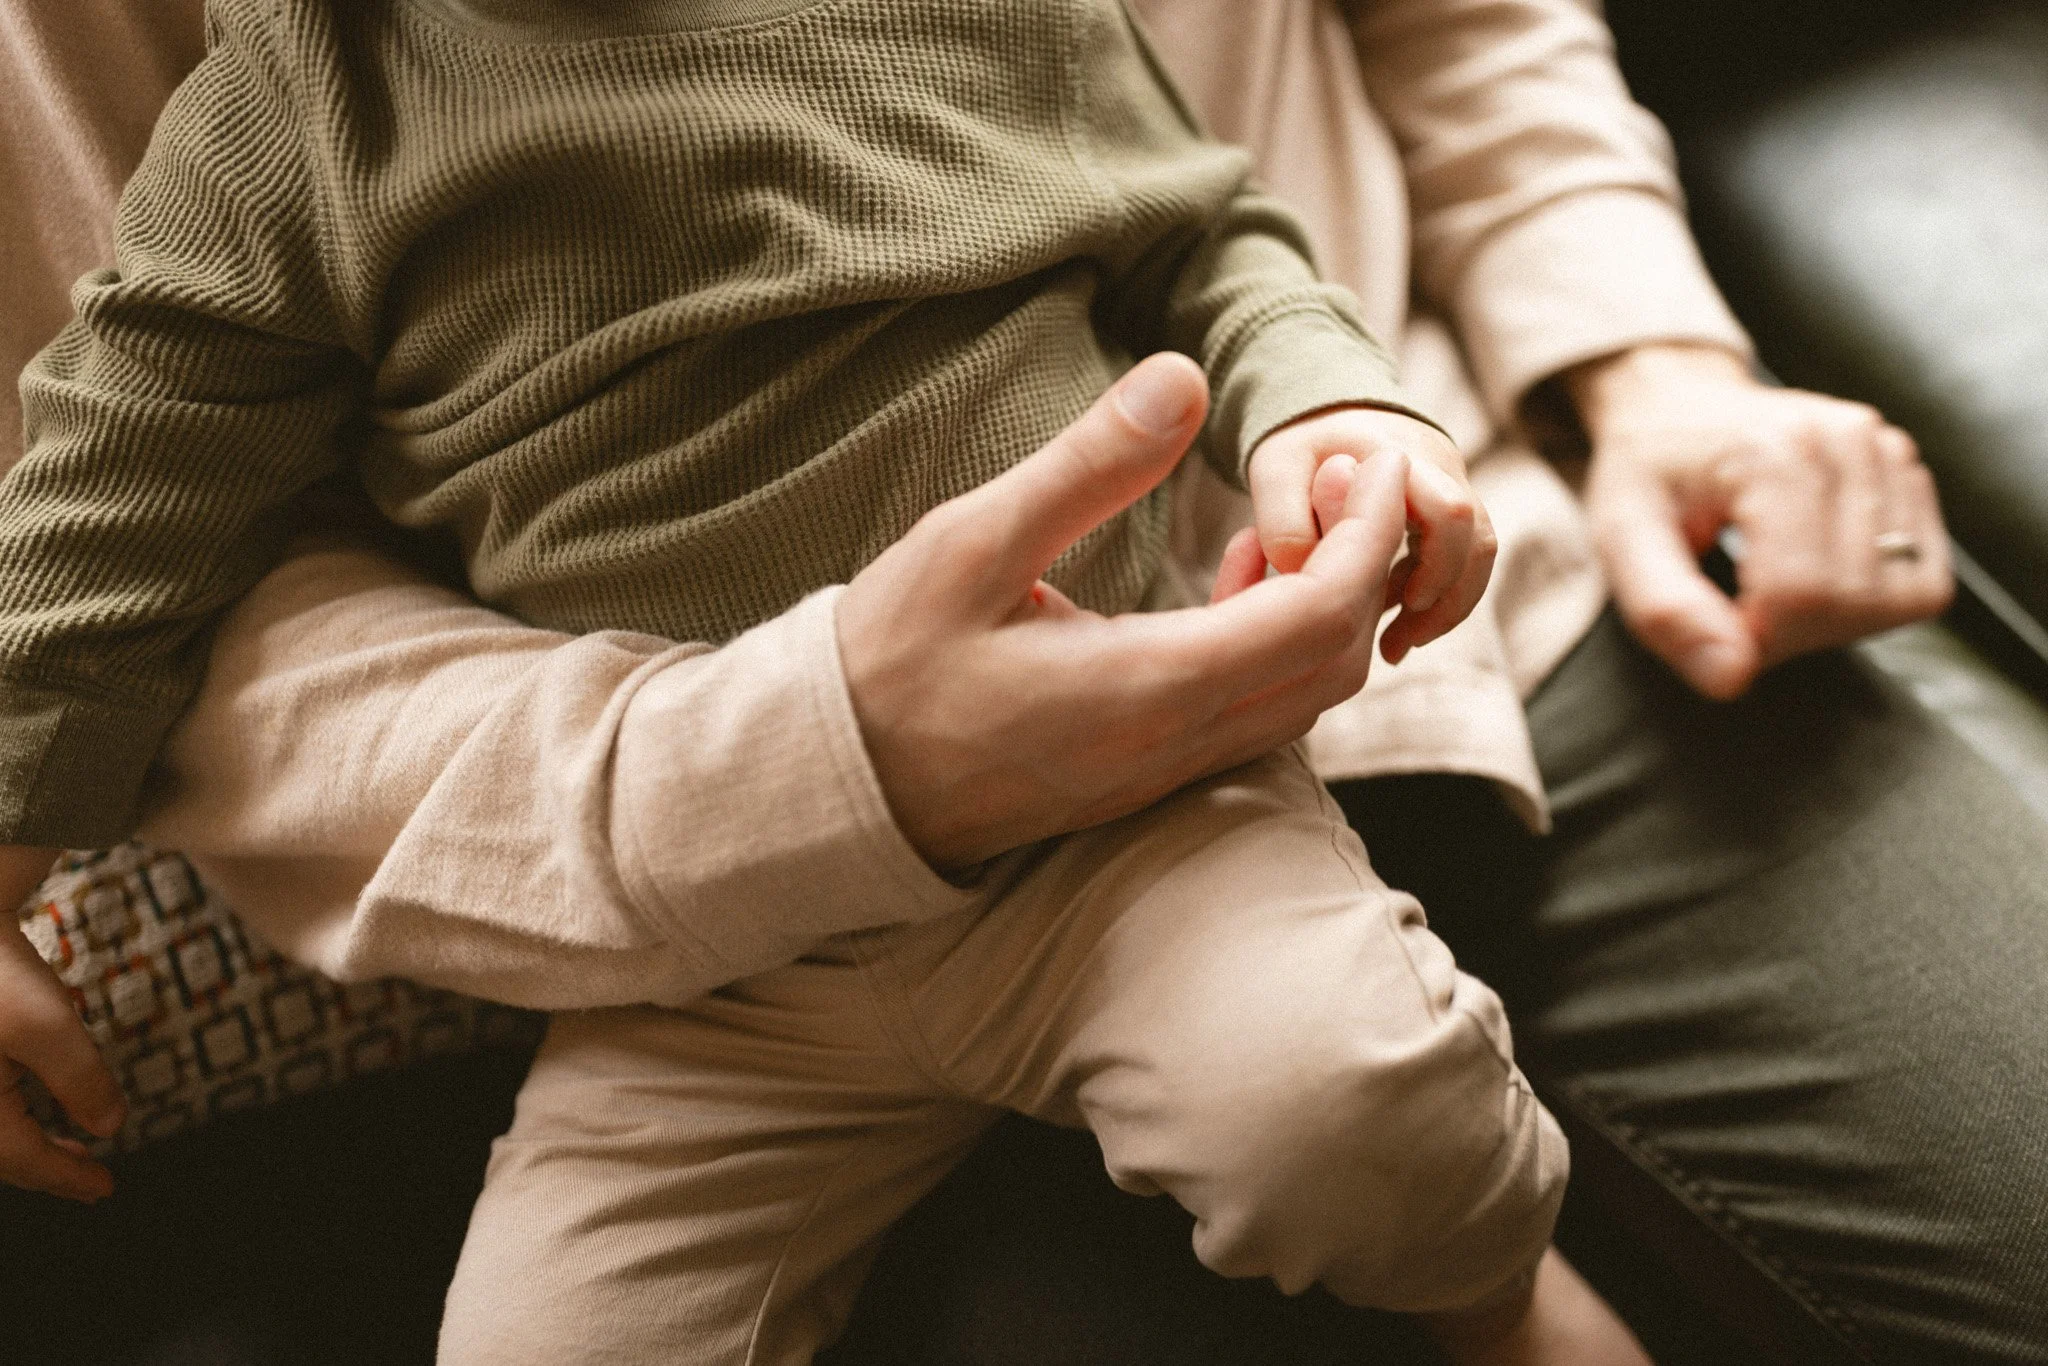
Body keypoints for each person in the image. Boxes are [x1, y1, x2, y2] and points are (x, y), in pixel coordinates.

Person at [8, 1, 2047, 1363]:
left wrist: (1450, 389)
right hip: (702, 938)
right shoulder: (279, 120)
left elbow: (1211, 232)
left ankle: (1505, 1288)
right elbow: (114, 510)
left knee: (1348, 1118)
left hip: (1197, 771)